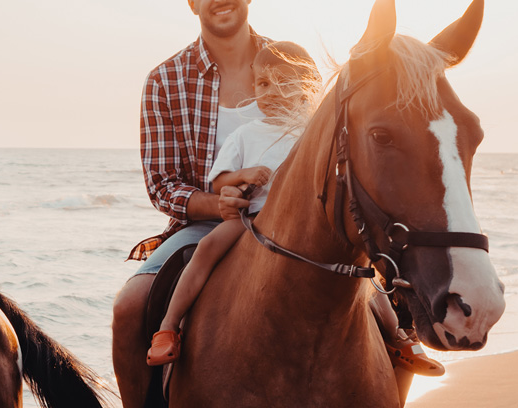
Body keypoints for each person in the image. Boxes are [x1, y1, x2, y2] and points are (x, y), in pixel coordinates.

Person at [105, 0, 439, 408]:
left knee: (381, 303)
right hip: (208, 224)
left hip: (300, 229)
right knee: (131, 305)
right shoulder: (165, 80)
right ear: (192, 2)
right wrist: (217, 202)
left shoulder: (290, 61)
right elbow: (163, 183)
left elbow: (332, 147)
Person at [145, 42, 440, 371]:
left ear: (305, 88)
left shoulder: (312, 133)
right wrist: (244, 174)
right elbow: (218, 182)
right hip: (252, 217)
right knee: (206, 248)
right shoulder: (245, 135)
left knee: (362, 272)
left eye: (283, 83)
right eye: (263, 83)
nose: (270, 92)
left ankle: (399, 338)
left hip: (305, 222)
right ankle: (169, 327)